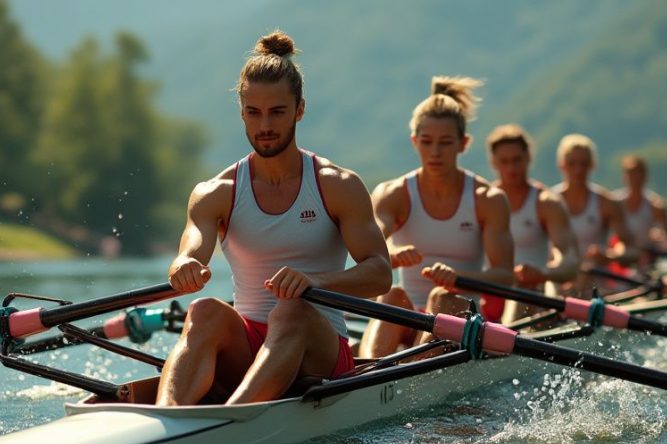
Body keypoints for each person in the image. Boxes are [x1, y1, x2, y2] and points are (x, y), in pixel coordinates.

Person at [157, 31, 390, 407]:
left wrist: (314, 282)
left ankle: (235, 418)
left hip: (320, 355)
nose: (264, 125)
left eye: (277, 112)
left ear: (299, 110)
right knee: (204, 310)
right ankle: (167, 418)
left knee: (292, 309)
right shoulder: (215, 192)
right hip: (250, 349)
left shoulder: (337, 185)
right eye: (254, 112)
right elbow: (191, 250)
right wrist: (183, 265)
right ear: (242, 113)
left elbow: (380, 273)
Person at [358, 76, 514, 359]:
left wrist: (459, 279)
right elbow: (367, 248)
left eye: (445, 142)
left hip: (464, 315)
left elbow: (504, 276)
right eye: (427, 142)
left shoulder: (487, 199)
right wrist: (391, 255)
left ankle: (405, 369)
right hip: (409, 316)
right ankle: (374, 366)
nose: (435, 152)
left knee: (441, 297)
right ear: (414, 142)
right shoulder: (393, 194)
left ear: (463, 143)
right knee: (393, 295)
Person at [484, 124, 580, 320]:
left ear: (528, 158)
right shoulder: (482, 201)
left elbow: (570, 263)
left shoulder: (547, 203)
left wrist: (543, 273)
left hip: (530, 295)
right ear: (493, 162)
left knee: (524, 289)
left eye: (517, 160)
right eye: (504, 161)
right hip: (488, 292)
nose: (511, 168)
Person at [551, 134, 638, 296]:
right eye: (572, 163)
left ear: (592, 165)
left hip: (597, 287)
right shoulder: (549, 202)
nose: (578, 170)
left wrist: (610, 256)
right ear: (561, 165)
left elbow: (632, 251)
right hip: (558, 286)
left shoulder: (606, 202)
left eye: (584, 164)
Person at [611, 154, 667, 269]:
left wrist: (661, 237)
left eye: (639, 173)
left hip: (646, 259)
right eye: (631, 173)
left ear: (645, 176)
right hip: (619, 257)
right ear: (625, 176)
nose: (635, 178)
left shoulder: (656, 205)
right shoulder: (614, 202)